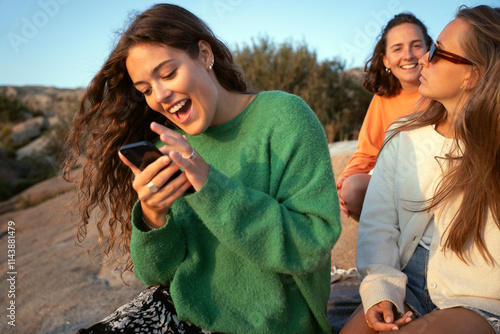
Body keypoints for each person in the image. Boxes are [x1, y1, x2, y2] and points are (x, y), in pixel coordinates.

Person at [63, 4, 341, 334]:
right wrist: (153, 217)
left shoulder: (284, 117)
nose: (161, 96)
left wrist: (209, 184)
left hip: (267, 324)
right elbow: (156, 274)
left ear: (204, 55)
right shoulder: (170, 148)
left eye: (167, 74)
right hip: (177, 314)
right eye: (146, 90)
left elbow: (312, 243)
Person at [341, 5, 500, 334]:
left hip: (476, 295)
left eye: (437, 52)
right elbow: (379, 223)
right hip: (406, 277)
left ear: (474, 75)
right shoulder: (402, 133)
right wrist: (379, 291)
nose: (423, 59)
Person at [337, 13, 432, 221]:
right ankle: (390, 241)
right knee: (352, 188)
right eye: (397, 48)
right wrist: (345, 180)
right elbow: (367, 152)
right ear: (386, 60)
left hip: (439, 184)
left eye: (416, 45)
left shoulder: (441, 90)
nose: (408, 55)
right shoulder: (382, 99)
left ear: (429, 51)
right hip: (397, 186)